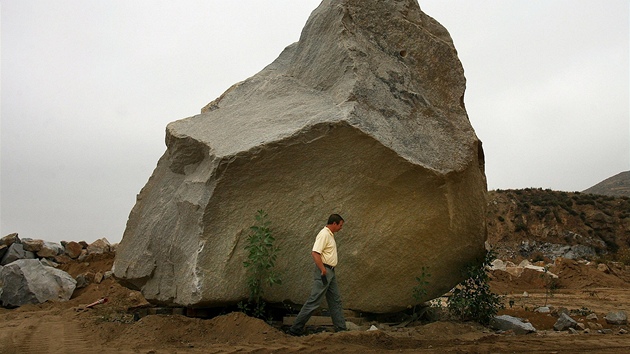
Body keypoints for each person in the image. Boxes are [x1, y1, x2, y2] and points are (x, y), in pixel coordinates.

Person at [288, 214, 347, 335]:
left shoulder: (330, 235)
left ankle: (341, 329)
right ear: (334, 223)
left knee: (335, 300)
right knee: (314, 300)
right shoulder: (324, 234)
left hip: (330, 271)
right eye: (340, 225)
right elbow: (315, 253)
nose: (341, 228)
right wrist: (323, 270)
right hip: (324, 271)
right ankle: (295, 329)